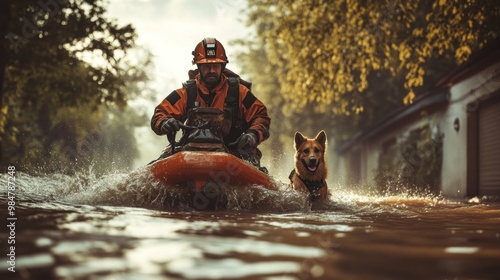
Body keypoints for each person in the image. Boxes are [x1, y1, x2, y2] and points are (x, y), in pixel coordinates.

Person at [150, 37, 271, 169]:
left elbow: (261, 116)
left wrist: (252, 135)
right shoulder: (186, 93)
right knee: (155, 168)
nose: (212, 70)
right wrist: (164, 123)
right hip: (190, 150)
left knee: (254, 165)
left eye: (216, 66)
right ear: (198, 66)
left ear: (223, 66)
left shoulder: (239, 92)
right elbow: (160, 113)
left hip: (233, 150)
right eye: (207, 66)